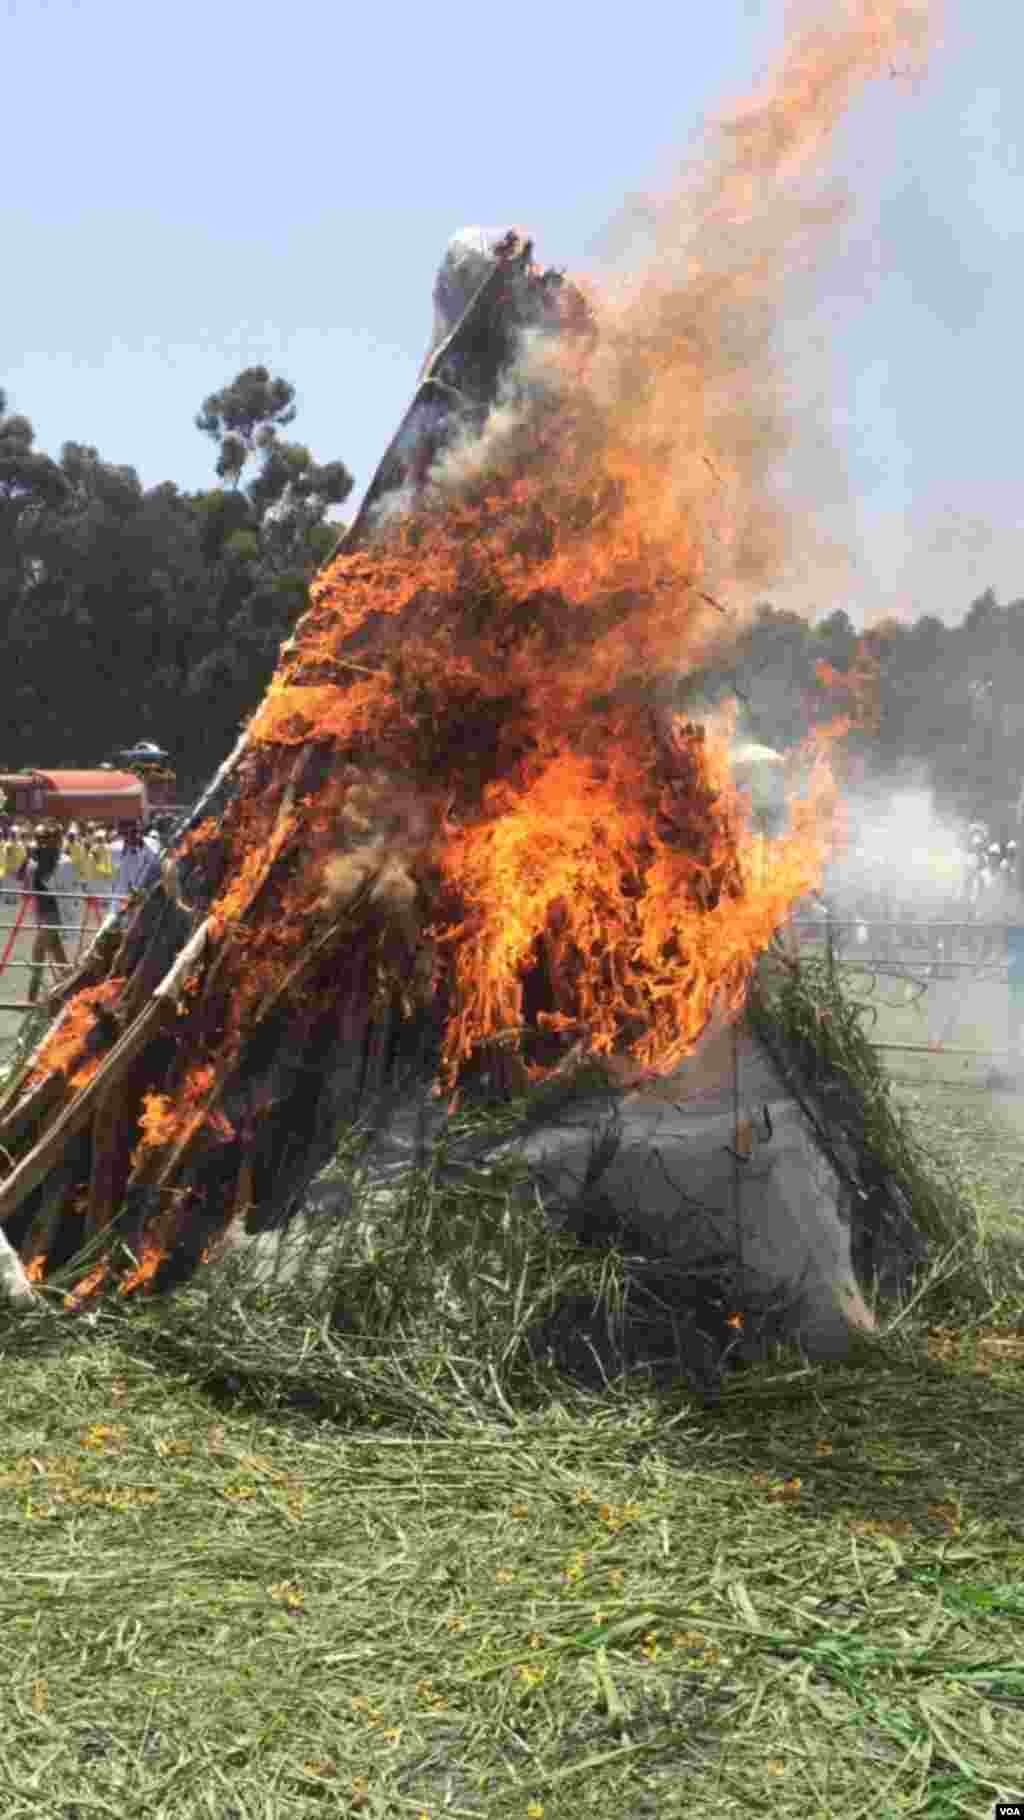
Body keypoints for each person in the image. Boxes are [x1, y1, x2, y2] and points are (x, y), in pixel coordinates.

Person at [19, 823, 69, 1004]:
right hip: (41, 912)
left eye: (44, 839)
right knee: (57, 952)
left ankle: (31, 998)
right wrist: (28, 857)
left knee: (38, 951)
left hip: (52, 913)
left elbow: (46, 877)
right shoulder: (36, 857)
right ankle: (73, 988)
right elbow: (20, 876)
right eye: (38, 839)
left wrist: (35, 857)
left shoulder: (56, 858)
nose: (41, 842)